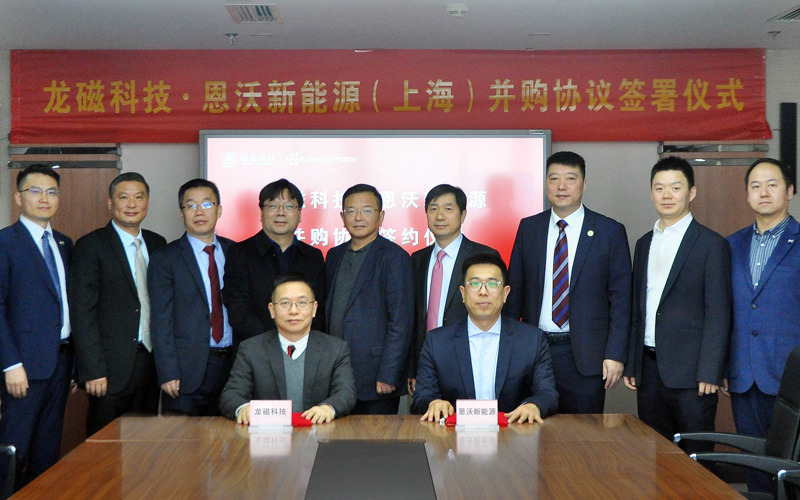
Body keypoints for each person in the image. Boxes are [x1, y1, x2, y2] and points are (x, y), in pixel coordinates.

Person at [506, 151, 631, 414]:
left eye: (570, 178)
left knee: (583, 433)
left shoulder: (609, 231)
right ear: (546, 184)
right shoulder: (529, 228)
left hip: (586, 356)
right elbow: (514, 293)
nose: (561, 186)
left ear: (584, 185)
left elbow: (621, 301)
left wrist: (616, 354)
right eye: (554, 179)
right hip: (535, 352)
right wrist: (507, 349)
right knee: (532, 428)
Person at [623, 156, 731, 456]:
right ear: (651, 193)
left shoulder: (711, 244)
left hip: (693, 375)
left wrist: (710, 370)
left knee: (696, 459)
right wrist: (632, 362)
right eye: (659, 188)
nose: (667, 195)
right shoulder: (644, 243)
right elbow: (638, 308)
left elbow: (719, 312)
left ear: (691, 192)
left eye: (675, 187)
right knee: (658, 458)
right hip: (649, 370)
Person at [69, 172, 167, 436]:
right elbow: (82, 312)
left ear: (147, 202)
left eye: (139, 197)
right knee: (104, 446)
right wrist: (92, 370)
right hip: (108, 369)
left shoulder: (158, 244)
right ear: (110, 203)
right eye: (124, 197)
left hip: (150, 363)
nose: (132, 204)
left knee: (143, 445)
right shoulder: (91, 245)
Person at [725, 158, 799, 493]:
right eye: (755, 186)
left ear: (790, 191)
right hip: (745, 374)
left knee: (792, 470)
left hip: (791, 375)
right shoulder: (731, 245)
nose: (764, 192)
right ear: (747, 195)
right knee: (754, 466)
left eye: (772, 184)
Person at [411, 253, 558, 423]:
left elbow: (547, 393)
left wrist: (534, 405)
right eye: (474, 284)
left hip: (514, 432)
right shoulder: (437, 342)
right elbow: (422, 396)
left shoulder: (532, 340)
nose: (483, 292)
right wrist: (433, 403)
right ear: (463, 293)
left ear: (505, 293)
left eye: (492, 284)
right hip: (453, 434)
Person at [0, 165, 72, 489]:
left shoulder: (64, 243)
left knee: (48, 452)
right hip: (23, 367)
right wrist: (10, 364)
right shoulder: (5, 242)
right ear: (18, 198)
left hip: (61, 363)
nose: (45, 198)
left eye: (52, 192)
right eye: (35, 191)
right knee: (14, 451)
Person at [219, 273, 356, 424]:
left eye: (302, 303)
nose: (294, 311)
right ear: (272, 309)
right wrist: (243, 408)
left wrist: (329, 408)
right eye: (285, 303)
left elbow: (346, 392)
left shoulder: (335, 349)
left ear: (314, 308)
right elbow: (231, 395)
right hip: (268, 434)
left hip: (319, 432)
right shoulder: (251, 349)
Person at [148, 179, 235, 416]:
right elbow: (161, 319)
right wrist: (168, 372)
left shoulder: (235, 252)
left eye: (206, 204)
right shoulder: (165, 258)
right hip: (186, 372)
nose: (199, 212)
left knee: (229, 437)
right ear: (182, 213)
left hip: (231, 368)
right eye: (191, 205)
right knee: (183, 438)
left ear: (219, 210)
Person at [326, 184, 414, 415]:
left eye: (367, 210)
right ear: (342, 217)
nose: (358, 217)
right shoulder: (334, 256)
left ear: (381, 216)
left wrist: (389, 373)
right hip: (336, 375)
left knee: (376, 437)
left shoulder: (395, 257)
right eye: (351, 211)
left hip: (376, 377)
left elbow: (401, 322)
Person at [408, 184, 500, 396]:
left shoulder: (484, 256)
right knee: (427, 414)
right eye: (433, 209)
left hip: (471, 360)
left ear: (463, 214)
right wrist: (413, 367)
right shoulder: (417, 259)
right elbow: (413, 318)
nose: (440, 215)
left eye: (448, 209)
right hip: (427, 365)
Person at [223, 179, 326, 345]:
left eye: (289, 206)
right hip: (256, 350)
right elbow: (238, 310)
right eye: (272, 206)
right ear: (261, 213)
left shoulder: (313, 256)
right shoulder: (240, 253)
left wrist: (300, 343)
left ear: (299, 214)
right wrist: (277, 344)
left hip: (305, 350)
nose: (281, 212)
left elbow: (319, 311)